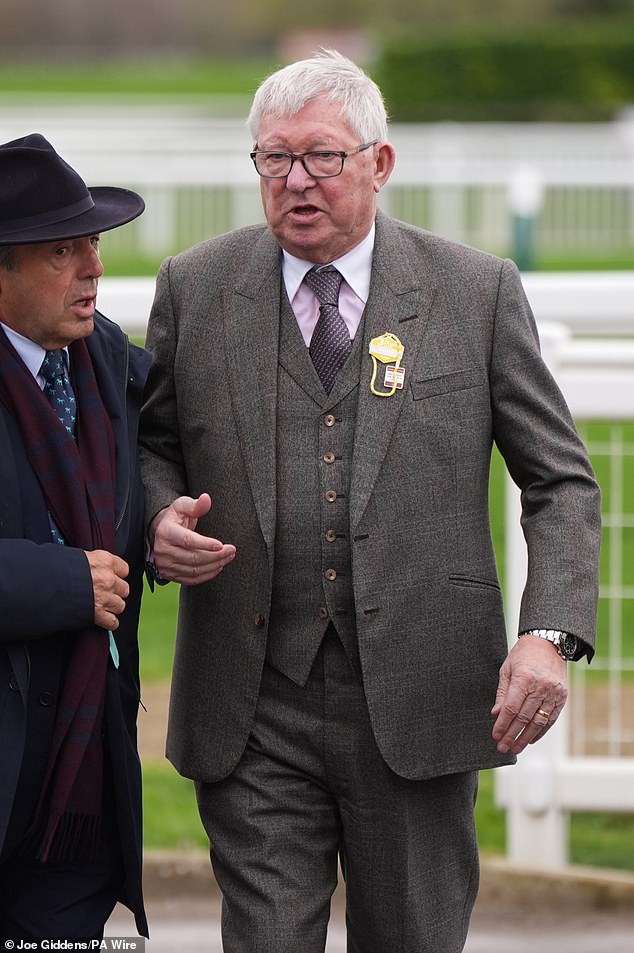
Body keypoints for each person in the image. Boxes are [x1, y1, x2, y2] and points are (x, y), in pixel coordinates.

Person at [139, 50, 601, 953]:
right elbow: (152, 444)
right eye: (275, 158)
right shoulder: (194, 287)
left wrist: (548, 632)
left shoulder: (475, 291)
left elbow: (561, 480)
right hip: (250, 703)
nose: (295, 181)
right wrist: (157, 518)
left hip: (424, 695)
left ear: (379, 162)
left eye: (322, 156)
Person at [0, 133, 149, 941]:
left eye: (92, 243)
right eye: (63, 250)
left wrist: (162, 521)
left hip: (77, 789)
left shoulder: (110, 359)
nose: (94, 268)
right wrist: (63, 583)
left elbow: (164, 455)